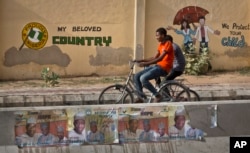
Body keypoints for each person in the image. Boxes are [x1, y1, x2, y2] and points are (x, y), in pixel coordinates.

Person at [133, 27, 174, 103]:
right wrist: (140, 60)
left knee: (143, 78)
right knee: (136, 76)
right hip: (157, 67)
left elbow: (160, 59)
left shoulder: (168, 44)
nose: (156, 37)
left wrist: (145, 64)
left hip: (163, 68)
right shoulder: (161, 45)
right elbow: (154, 57)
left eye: (157, 35)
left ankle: (157, 95)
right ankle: (141, 97)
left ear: (163, 35)